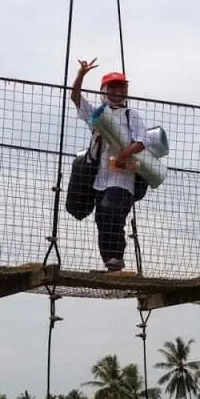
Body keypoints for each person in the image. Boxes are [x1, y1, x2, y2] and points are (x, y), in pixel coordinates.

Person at [70, 58, 147, 272]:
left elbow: (141, 141)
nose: (116, 91)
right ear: (104, 90)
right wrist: (81, 75)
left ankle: (116, 256)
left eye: (120, 87)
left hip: (123, 178)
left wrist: (124, 155)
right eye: (112, 87)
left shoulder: (131, 115)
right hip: (100, 178)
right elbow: (76, 98)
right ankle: (111, 261)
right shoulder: (99, 115)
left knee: (112, 211)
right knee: (102, 217)